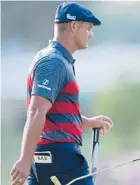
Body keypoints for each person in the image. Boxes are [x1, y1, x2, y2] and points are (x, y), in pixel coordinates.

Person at [10, 2, 114, 185]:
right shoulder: (54, 62)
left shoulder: (58, 60)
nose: (91, 34)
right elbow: (37, 111)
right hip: (61, 157)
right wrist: (24, 160)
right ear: (74, 26)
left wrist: (88, 122)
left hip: (48, 156)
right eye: (88, 28)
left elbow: (53, 112)